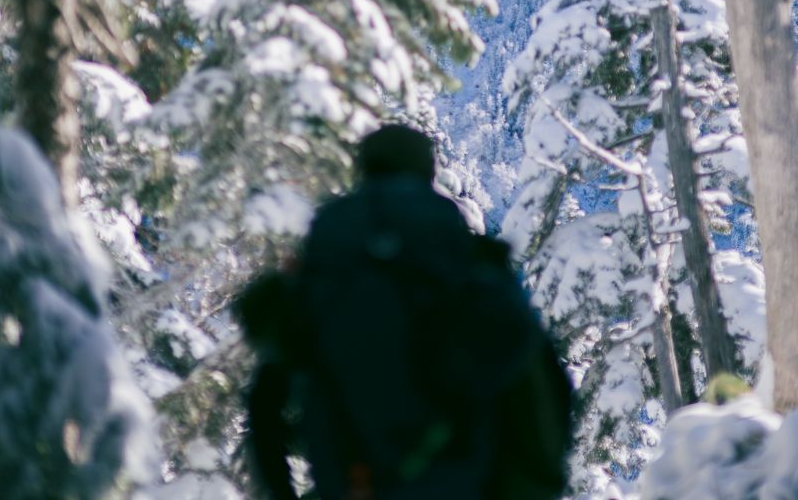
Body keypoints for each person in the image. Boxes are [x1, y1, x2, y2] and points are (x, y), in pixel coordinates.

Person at [239, 124, 571, 500]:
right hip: (457, 478)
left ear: (363, 169)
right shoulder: (461, 252)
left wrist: (281, 493)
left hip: (350, 483)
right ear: (427, 171)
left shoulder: (324, 261)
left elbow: (265, 400)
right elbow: (536, 369)